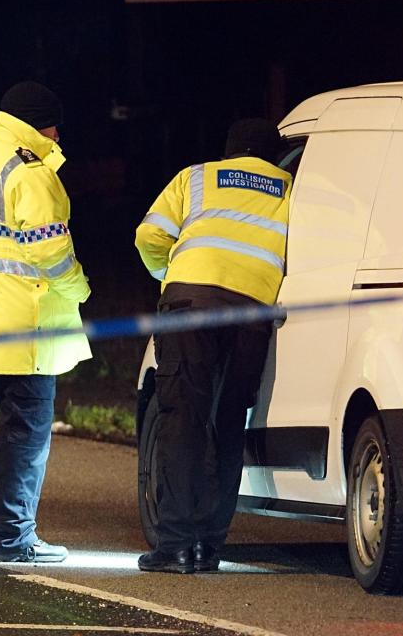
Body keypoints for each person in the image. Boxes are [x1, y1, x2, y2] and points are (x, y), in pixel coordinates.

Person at [0, 81, 92, 563]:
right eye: (54, 127)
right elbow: (50, 250)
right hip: (26, 325)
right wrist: (80, 289)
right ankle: (11, 539)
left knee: (13, 432)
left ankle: (10, 534)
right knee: (26, 438)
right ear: (38, 124)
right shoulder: (30, 173)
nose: (58, 137)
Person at [134, 118, 291, 573]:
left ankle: (177, 545)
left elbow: (149, 236)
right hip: (251, 313)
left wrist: (168, 274)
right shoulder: (291, 188)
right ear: (274, 155)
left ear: (230, 151)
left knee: (183, 419)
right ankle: (209, 547)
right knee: (228, 423)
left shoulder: (197, 176)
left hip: (192, 301)